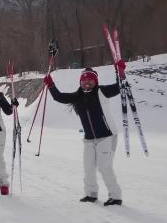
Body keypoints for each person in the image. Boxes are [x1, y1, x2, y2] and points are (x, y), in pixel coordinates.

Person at [44, 63, 125, 206]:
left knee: (104, 167)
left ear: (95, 81)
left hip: (106, 136)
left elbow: (119, 87)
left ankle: (115, 196)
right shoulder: (78, 96)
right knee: (88, 168)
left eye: (90, 79)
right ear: (80, 82)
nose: (87, 82)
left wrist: (120, 72)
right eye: (84, 79)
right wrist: (50, 85)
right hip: (89, 139)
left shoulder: (102, 92)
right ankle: (91, 194)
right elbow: (59, 97)